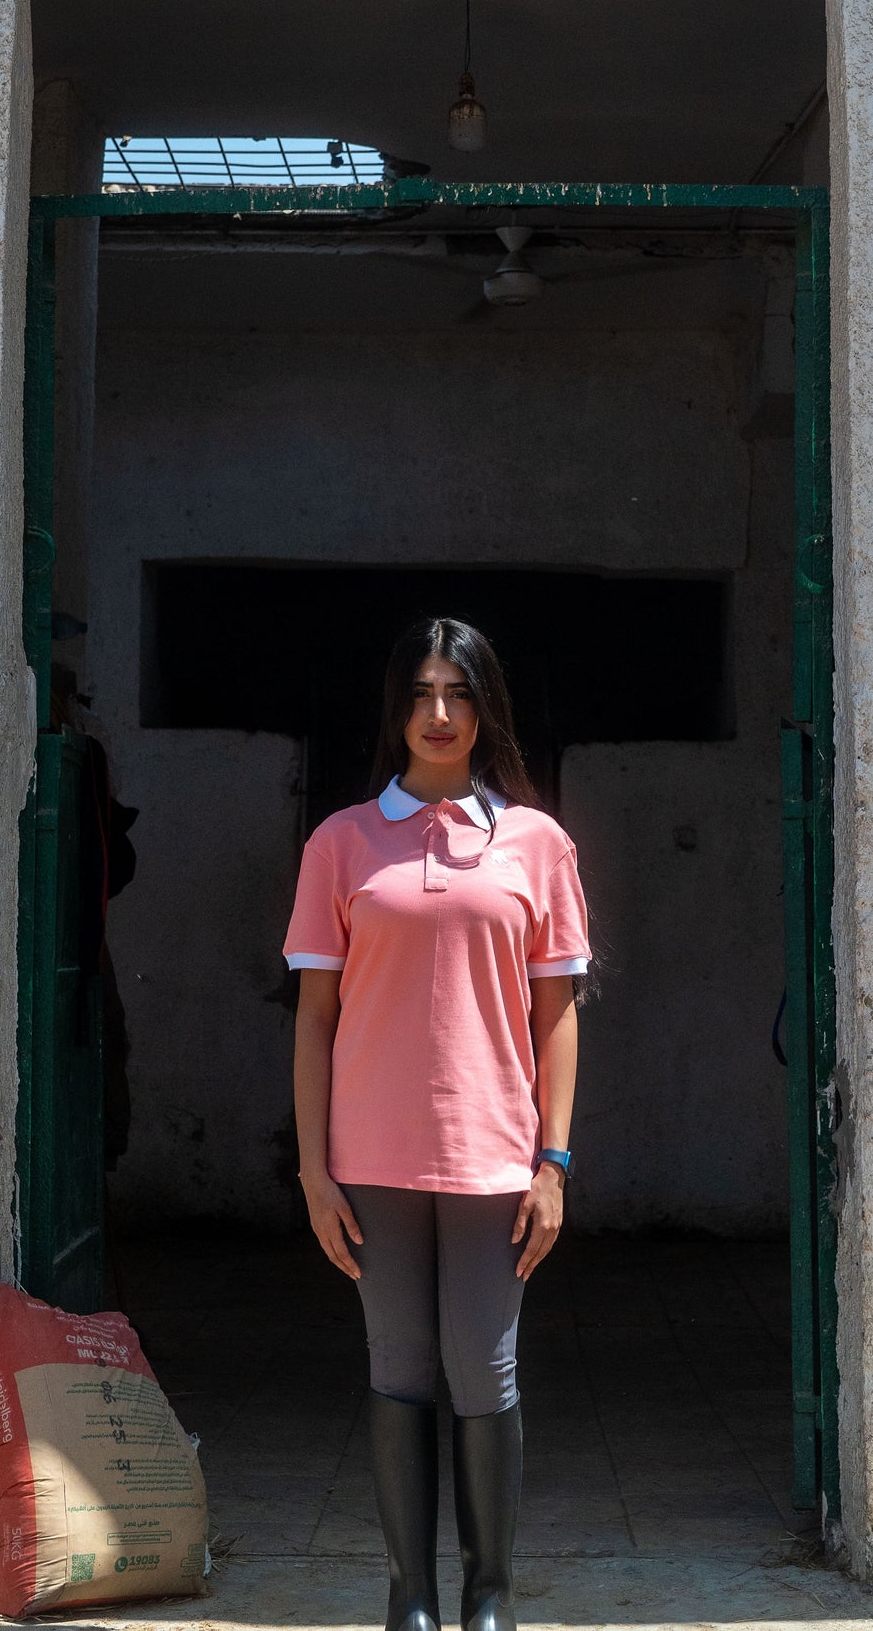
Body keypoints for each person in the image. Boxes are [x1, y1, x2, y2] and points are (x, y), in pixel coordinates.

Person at [284, 618, 588, 1631]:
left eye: (458, 692)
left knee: (484, 1369)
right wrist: (313, 1171)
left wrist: (553, 1161)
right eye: (420, 693)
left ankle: (488, 1597)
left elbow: (557, 1014)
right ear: (396, 709)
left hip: (495, 1158)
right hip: (369, 1158)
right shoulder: (340, 842)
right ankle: (409, 1596)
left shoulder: (536, 843)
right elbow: (314, 1018)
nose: (440, 713)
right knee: (398, 1368)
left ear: (485, 708)